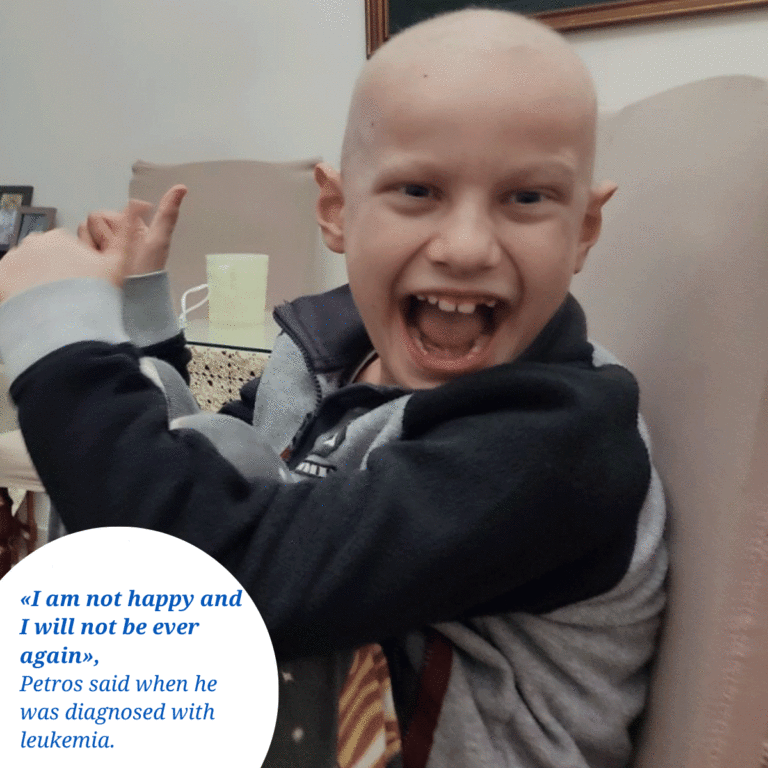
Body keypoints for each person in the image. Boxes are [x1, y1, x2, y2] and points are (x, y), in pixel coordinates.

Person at [0, 8, 666, 767]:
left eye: (527, 199)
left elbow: (211, 583)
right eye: (418, 189)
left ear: (583, 230)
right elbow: (211, 465)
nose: (466, 247)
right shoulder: (326, 353)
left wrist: (60, 342)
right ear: (337, 211)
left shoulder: (558, 443)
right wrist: (142, 315)